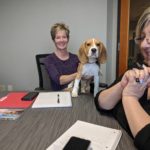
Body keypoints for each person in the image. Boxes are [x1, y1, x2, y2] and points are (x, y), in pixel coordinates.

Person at [94, 7, 150, 150]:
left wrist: (130, 97)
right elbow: (101, 102)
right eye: (142, 37)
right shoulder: (137, 70)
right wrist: (122, 85)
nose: (143, 44)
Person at [44, 23, 79, 91]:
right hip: (57, 96)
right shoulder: (48, 60)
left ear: (68, 39)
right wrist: (79, 74)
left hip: (76, 95)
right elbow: (59, 80)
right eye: (58, 37)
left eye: (64, 37)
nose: (61, 40)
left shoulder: (76, 58)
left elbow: (86, 76)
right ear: (54, 40)